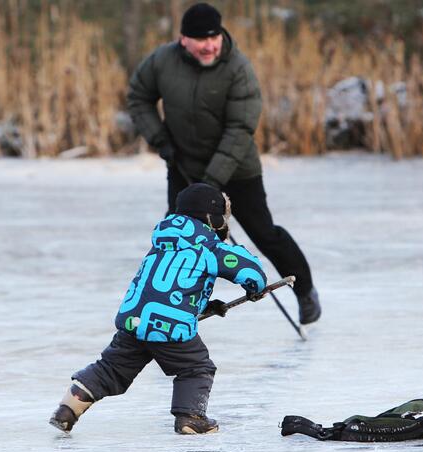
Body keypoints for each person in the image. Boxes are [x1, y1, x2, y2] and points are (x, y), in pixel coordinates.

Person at [126, 2, 321, 325]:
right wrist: (159, 138)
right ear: (183, 39)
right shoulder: (162, 61)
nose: (209, 45)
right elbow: (138, 96)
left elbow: (240, 129)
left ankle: (305, 290)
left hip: (236, 170)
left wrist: (211, 182)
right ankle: (167, 303)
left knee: (264, 233)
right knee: (178, 238)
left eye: (214, 37)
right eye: (201, 39)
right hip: (184, 165)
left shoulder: (237, 68)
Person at [49, 183, 268, 435]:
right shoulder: (208, 248)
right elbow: (249, 270)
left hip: (134, 319)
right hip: (169, 325)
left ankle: (68, 408)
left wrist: (204, 306)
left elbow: (165, 289)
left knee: (111, 369)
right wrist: (256, 289)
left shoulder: (161, 244)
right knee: (196, 368)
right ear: (213, 217)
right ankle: (191, 417)